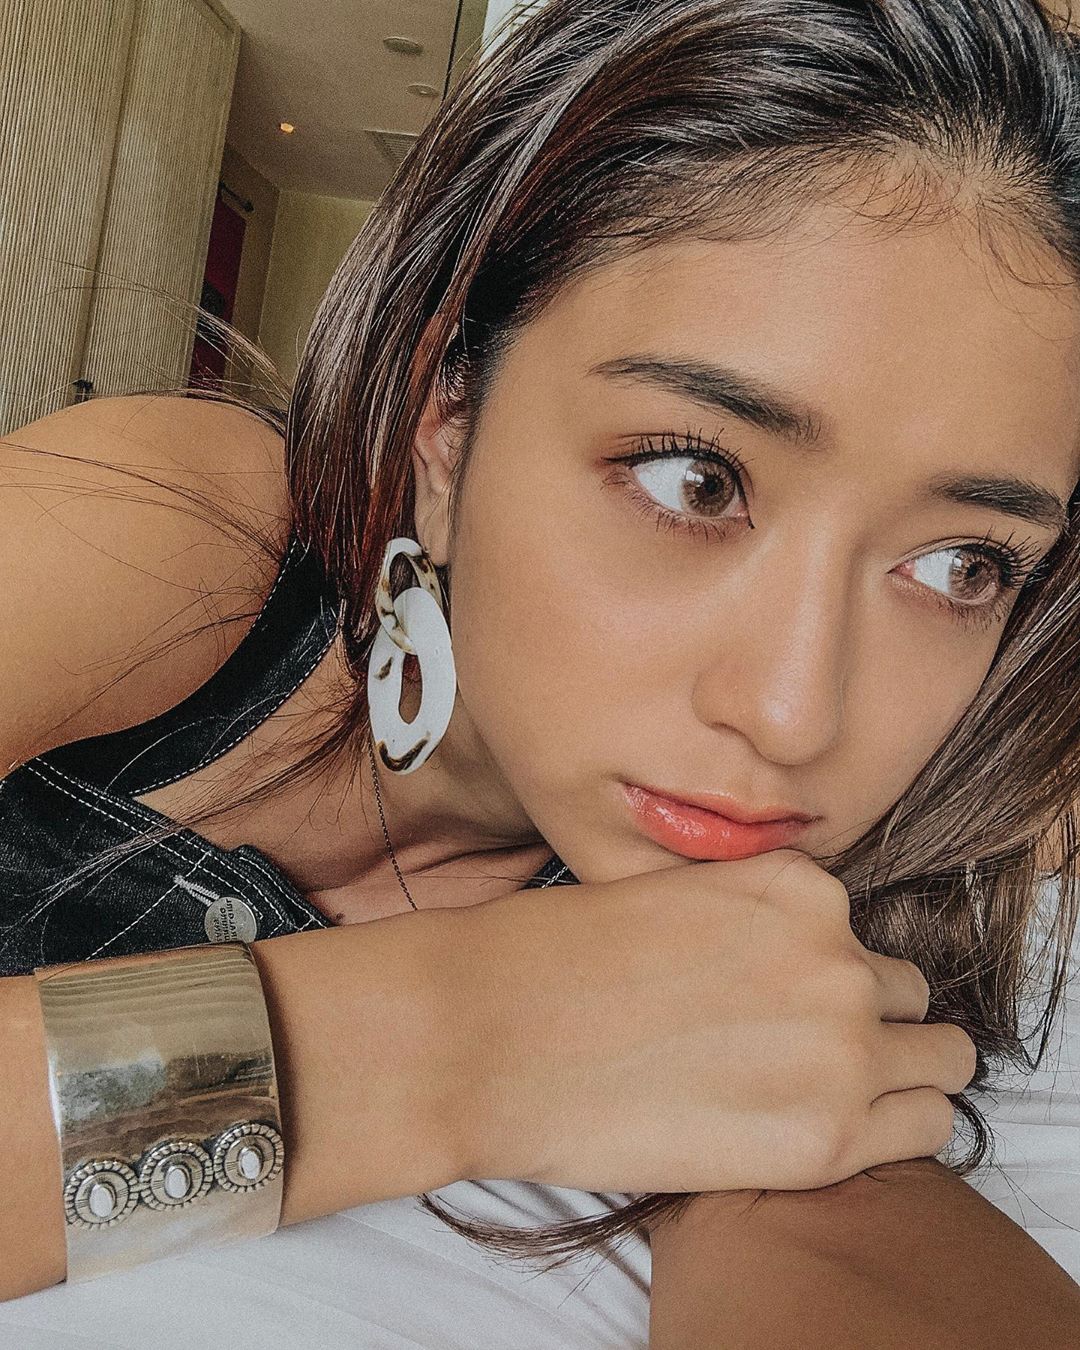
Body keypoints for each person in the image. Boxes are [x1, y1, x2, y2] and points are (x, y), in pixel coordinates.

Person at [2, 0, 1080, 1343]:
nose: (796, 714)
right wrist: (457, 1040)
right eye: (696, 479)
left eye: (962, 564)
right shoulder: (171, 533)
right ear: (446, 416)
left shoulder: (836, 903)